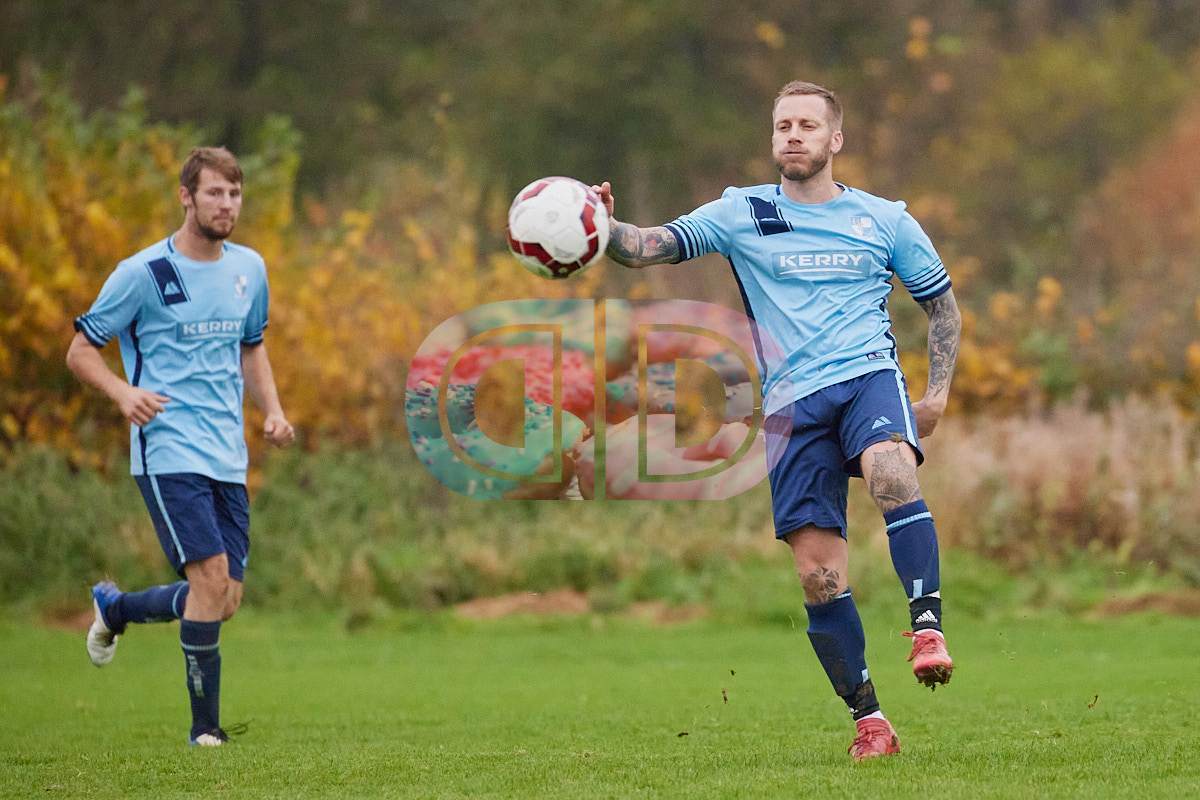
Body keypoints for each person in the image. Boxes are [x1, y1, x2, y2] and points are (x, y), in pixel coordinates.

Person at [593, 80, 962, 761]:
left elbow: (941, 305)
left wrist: (935, 394)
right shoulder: (743, 211)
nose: (793, 135)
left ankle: (927, 627)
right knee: (819, 575)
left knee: (889, 468)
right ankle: (870, 722)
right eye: (783, 125)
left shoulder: (884, 219)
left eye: (807, 125)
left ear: (835, 139)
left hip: (867, 377)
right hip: (792, 406)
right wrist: (601, 228)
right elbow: (648, 246)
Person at [66, 146, 295, 746]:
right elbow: (80, 351)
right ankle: (205, 731)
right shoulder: (142, 273)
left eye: (235, 194)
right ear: (186, 197)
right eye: (215, 192)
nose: (227, 204)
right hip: (167, 448)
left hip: (227, 454)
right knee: (210, 579)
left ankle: (116, 610)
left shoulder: (250, 269)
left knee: (223, 599)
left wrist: (273, 411)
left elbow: (251, 347)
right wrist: (123, 393)